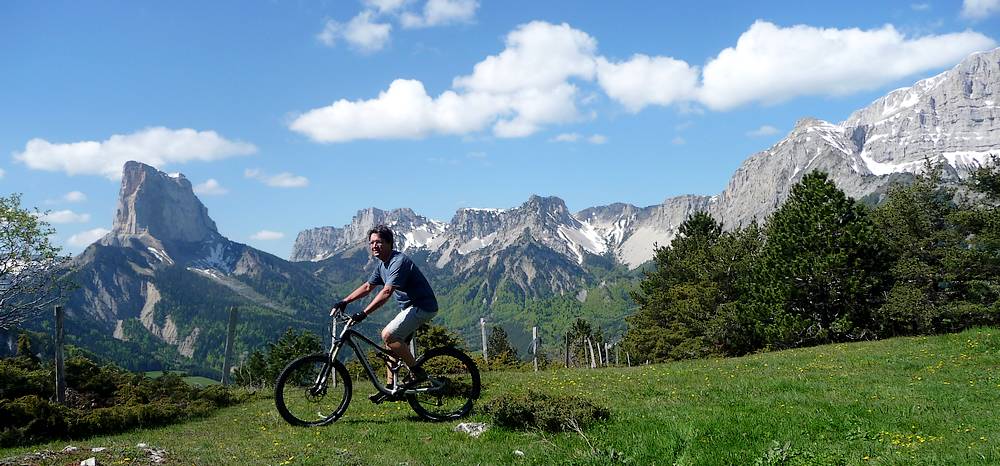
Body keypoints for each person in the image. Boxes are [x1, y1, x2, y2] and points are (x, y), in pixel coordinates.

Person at [331, 225, 437, 400]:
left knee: (388, 335)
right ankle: (390, 388)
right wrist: (344, 301)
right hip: (410, 308)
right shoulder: (382, 265)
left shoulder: (398, 261)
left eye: (378, 242)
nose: (374, 246)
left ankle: (417, 373)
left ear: (389, 243)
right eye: (372, 243)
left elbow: (386, 292)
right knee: (391, 345)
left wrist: (364, 313)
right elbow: (367, 287)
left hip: (423, 306)